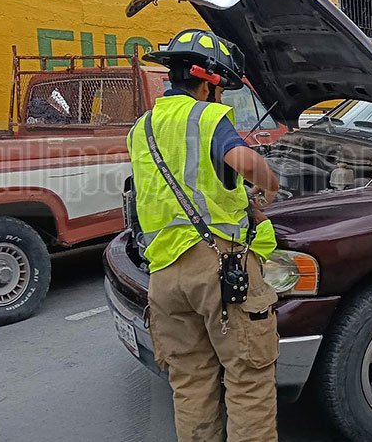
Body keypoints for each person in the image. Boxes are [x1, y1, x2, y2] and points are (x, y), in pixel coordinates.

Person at [126, 30, 281, 442]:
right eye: (221, 89)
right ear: (207, 82)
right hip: (219, 269)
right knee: (248, 380)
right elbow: (244, 161)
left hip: (164, 275)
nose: (220, 96)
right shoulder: (206, 117)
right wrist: (269, 184)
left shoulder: (142, 128)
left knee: (190, 384)